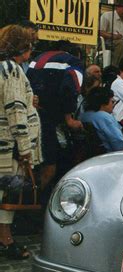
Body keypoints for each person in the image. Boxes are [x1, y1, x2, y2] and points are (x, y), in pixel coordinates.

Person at [0, 25, 42, 259]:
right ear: (22, 47)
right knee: (6, 193)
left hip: (3, 141)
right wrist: (25, 149)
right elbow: (15, 109)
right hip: (9, 145)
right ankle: (5, 240)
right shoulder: (11, 70)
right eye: (30, 44)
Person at [27, 41, 83, 193]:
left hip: (32, 117)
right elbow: (70, 89)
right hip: (51, 120)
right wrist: (69, 119)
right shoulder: (73, 61)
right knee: (50, 167)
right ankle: (35, 201)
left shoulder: (36, 60)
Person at [79, 87, 123, 152]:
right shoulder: (105, 117)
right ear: (103, 103)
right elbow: (120, 146)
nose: (113, 105)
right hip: (109, 156)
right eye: (112, 101)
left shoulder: (82, 116)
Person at [99, 0, 123, 67]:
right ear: (117, 7)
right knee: (120, 43)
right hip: (106, 41)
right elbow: (100, 32)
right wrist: (113, 36)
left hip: (121, 42)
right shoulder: (107, 16)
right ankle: (115, 67)